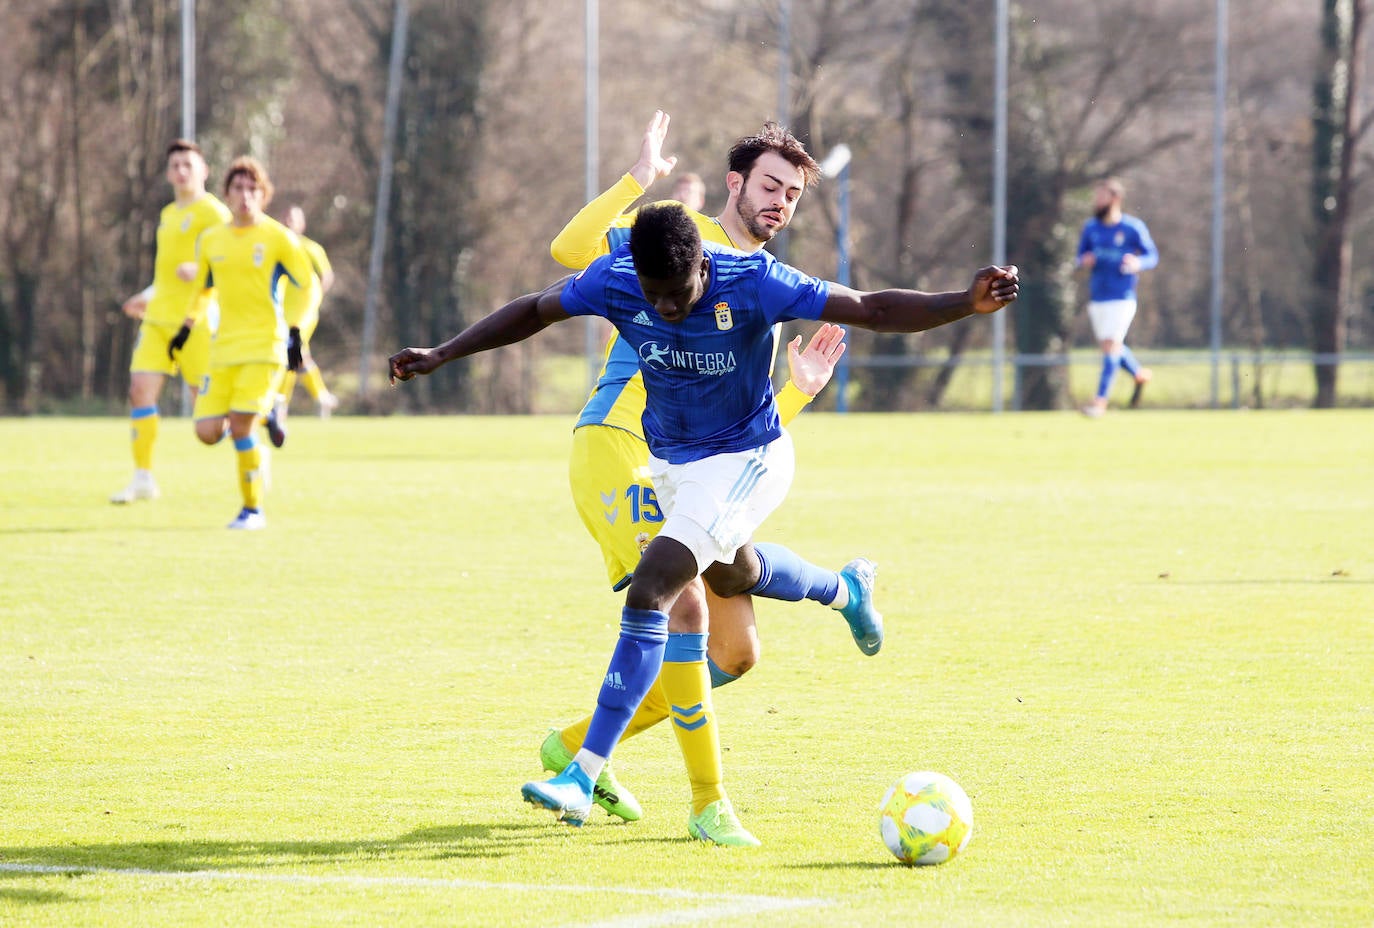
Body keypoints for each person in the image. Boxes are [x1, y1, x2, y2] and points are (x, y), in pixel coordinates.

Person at [389, 203, 1018, 840]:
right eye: (653, 295)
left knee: (655, 586)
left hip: (749, 459)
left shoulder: (754, 281)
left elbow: (874, 308)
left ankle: (581, 772)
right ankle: (843, 589)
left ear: (702, 265)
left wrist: (963, 303)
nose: (665, 308)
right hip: (673, 464)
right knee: (735, 572)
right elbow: (533, 309)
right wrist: (444, 352)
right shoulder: (617, 278)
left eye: (679, 293)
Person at [538, 112, 862, 844]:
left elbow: (739, 427)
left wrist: (799, 392)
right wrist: (637, 179)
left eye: (793, 194)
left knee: (735, 651)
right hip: (623, 447)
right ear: (735, 183)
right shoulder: (683, 235)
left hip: (698, 468)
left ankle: (579, 743)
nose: (780, 201)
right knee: (683, 606)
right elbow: (567, 251)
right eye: (769, 185)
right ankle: (702, 803)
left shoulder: (759, 284)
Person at [190, 156, 312, 530]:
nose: (245, 196)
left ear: (264, 194)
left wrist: (295, 329)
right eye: (238, 188)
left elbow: (307, 286)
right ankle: (269, 412)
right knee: (207, 432)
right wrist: (186, 326)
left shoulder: (278, 238)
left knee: (241, 428)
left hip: (265, 346)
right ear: (225, 194)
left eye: (253, 189)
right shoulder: (211, 240)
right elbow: (202, 291)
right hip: (224, 349)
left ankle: (252, 510)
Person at [111, 139, 231, 504]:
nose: (181, 171)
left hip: (195, 324)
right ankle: (143, 477)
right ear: (168, 172)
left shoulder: (214, 213)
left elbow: (231, 264)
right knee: (139, 392)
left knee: (209, 425)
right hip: (158, 320)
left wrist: (200, 270)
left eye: (188, 165)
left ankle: (251, 435)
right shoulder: (167, 215)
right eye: (175, 165)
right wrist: (147, 295)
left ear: (204, 171)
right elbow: (165, 274)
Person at [1076, 177, 1158, 417]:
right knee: (1111, 347)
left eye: (1101, 196)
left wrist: (1137, 262)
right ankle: (1139, 374)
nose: (1097, 201)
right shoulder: (1091, 228)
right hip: (1098, 295)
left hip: (1122, 296)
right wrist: (1084, 260)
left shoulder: (1132, 228)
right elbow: (1079, 256)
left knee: (1111, 346)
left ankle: (1099, 402)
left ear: (1115, 199)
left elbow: (1152, 256)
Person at [271, 205, 339, 436]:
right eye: (286, 217)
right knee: (299, 355)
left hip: (304, 312)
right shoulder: (279, 248)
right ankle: (322, 397)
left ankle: (281, 406)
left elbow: (326, 275)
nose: (289, 221)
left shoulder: (311, 248)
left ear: (302, 224)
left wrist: (315, 298)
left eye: (294, 218)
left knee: (291, 351)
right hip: (284, 311)